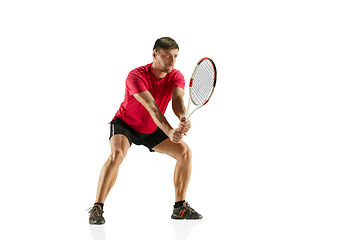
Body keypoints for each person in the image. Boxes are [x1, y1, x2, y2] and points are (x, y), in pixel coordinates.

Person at [88, 37, 203, 224]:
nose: (172, 61)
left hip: (152, 127)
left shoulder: (176, 76)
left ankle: (179, 208)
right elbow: (152, 107)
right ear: (154, 54)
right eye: (167, 56)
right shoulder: (136, 75)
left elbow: (178, 101)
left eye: (175, 56)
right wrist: (169, 131)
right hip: (126, 124)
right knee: (117, 154)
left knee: (185, 153)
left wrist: (182, 118)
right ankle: (97, 208)